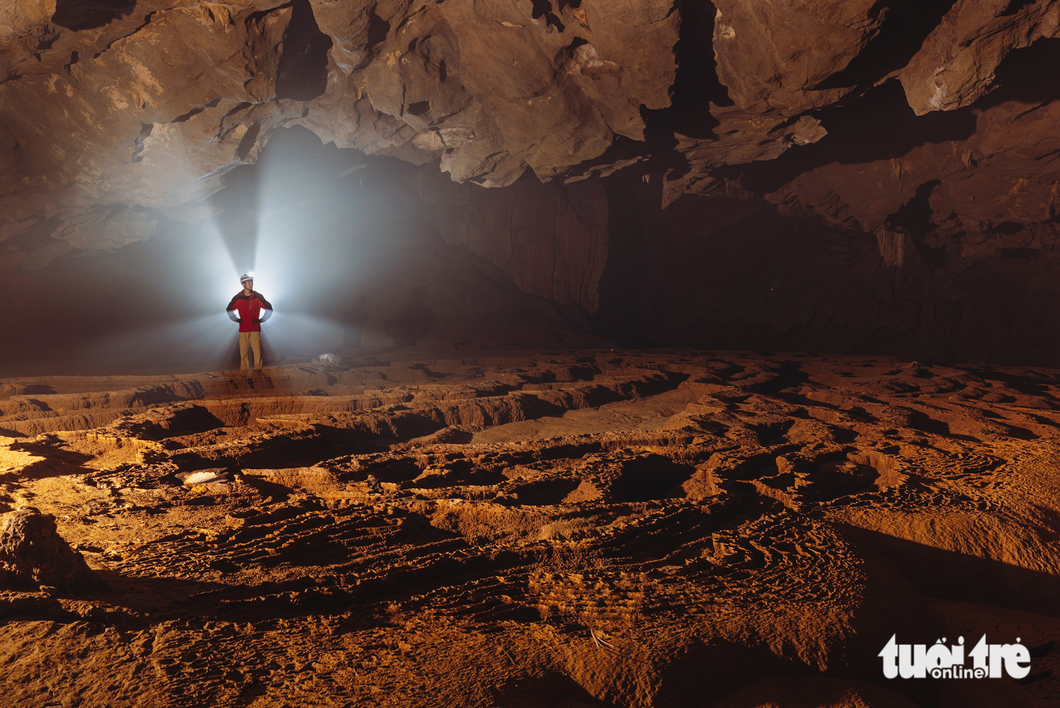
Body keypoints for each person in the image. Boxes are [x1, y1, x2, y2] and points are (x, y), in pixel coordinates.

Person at [226, 274, 273, 370]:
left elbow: (269, 308)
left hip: (255, 328)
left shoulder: (257, 296)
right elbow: (229, 309)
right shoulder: (238, 298)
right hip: (243, 329)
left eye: (251, 282)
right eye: (248, 282)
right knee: (243, 352)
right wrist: (237, 319)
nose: (251, 284)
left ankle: (258, 371)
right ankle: (244, 372)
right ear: (243, 284)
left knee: (257, 351)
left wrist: (262, 319)